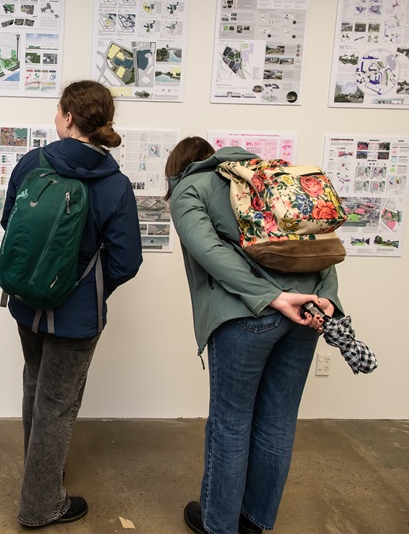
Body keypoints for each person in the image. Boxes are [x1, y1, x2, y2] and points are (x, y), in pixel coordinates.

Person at [164, 137, 342, 534]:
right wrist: (326, 298)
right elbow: (315, 240)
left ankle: (220, 525)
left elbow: (208, 250)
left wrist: (272, 297)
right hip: (305, 312)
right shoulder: (261, 177)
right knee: (278, 421)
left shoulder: (188, 189)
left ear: (176, 169)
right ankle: (253, 522)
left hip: (246, 317)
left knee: (230, 424)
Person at [1, 80, 143, 528]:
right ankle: (41, 503)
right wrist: (87, 289)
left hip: (26, 302)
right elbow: (126, 261)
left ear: (66, 117)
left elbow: (11, 223)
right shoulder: (115, 184)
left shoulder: (32, 163)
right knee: (57, 404)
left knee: (34, 386)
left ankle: (38, 476)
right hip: (79, 317)